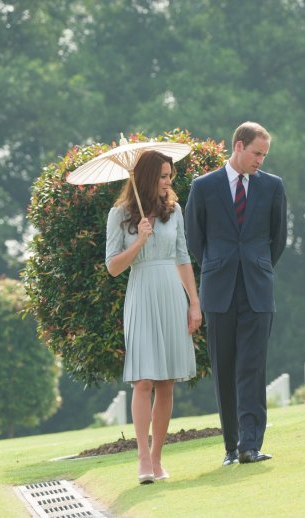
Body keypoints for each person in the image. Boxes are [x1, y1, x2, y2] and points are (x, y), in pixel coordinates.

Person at [185, 121, 287, 465]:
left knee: (253, 367)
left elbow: (279, 238)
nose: (261, 160)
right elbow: (194, 240)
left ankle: (250, 445)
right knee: (225, 368)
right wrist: (221, 266)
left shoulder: (273, 187)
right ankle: (230, 446)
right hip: (219, 290)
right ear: (239, 147)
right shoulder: (203, 187)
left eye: (265, 155)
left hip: (258, 290)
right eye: (257, 153)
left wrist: (255, 266)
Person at [105, 150, 201, 484]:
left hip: (171, 294)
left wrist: (194, 303)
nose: (168, 181)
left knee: (166, 382)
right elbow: (113, 267)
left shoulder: (175, 212)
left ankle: (158, 459)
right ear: (147, 177)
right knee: (143, 380)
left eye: (169, 176)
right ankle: (143, 460)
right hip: (141, 293)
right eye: (162, 176)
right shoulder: (119, 214)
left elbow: (183, 258)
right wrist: (139, 241)